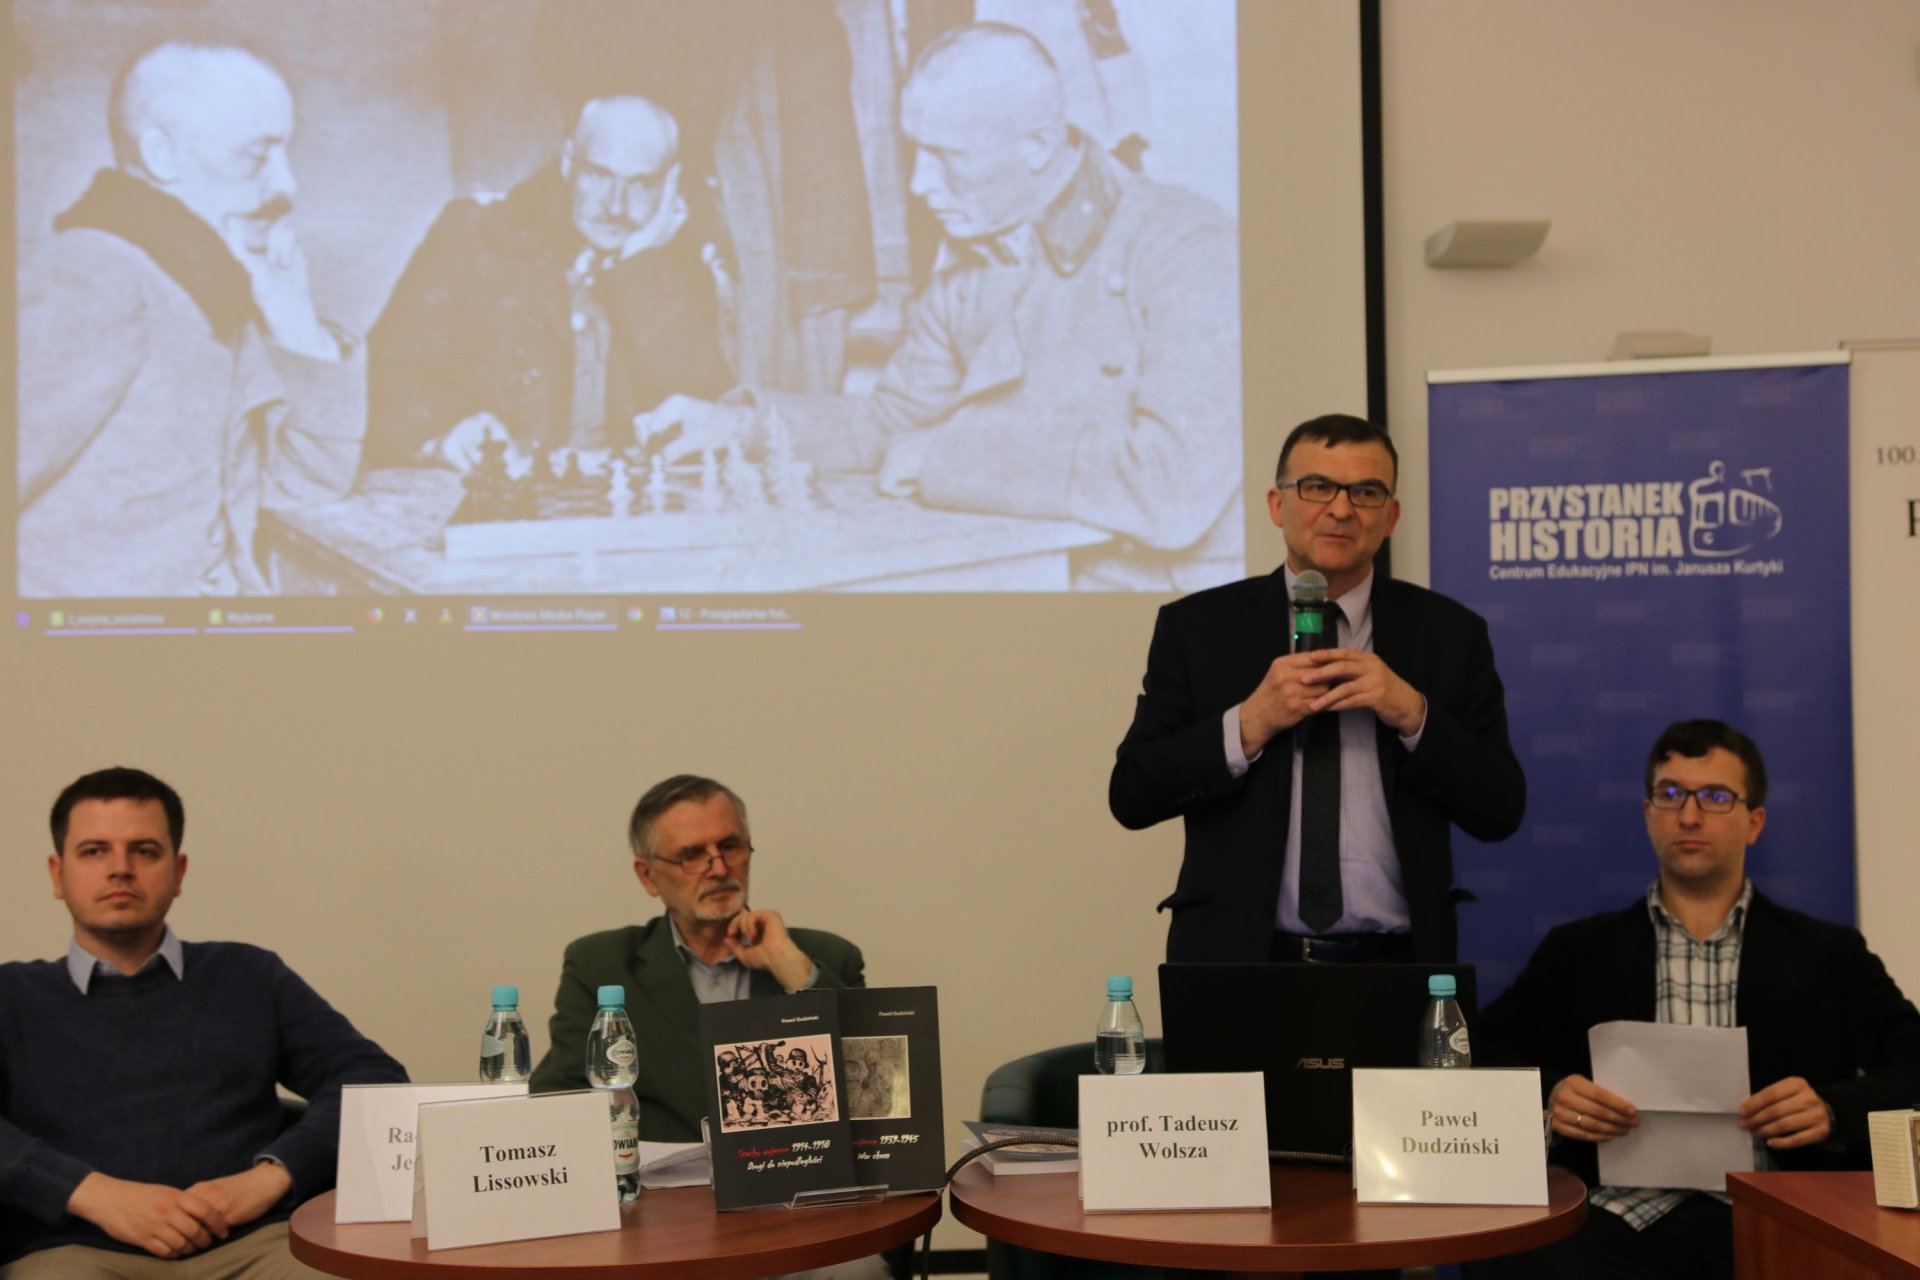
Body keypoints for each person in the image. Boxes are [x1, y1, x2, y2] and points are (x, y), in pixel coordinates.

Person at [631, 21, 1242, 590]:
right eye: (916, 153)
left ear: (1037, 145)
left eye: (949, 157)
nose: (920, 184)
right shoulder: (977, 249)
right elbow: (892, 423)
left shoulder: (1186, 245)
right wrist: (744, 426)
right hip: (1027, 584)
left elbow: (1171, 486)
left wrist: (943, 458)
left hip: (1168, 613)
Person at [1471, 720, 1920, 1279]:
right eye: (1670, 794)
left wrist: (1832, 1109)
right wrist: (1553, 1094)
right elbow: (1482, 1050)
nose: (1688, 815)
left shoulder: (1829, 952)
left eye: (1715, 797)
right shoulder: (1578, 950)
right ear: (1647, 814)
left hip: (1775, 1208)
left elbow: (1914, 1061)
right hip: (1611, 1215)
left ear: (1754, 822)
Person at [1108, 414, 1526, 963]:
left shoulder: (1450, 635)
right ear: (1276, 505)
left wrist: (1414, 715)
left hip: (1398, 966)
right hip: (1240, 967)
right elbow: (1133, 793)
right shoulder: (1198, 629)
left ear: (1391, 516)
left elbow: (1500, 809)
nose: (1341, 509)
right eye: (1318, 486)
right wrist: (1247, 725)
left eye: (1366, 491)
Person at [0, 768, 407, 1276]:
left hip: (256, 1243)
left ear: (178, 872)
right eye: (95, 851)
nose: (120, 869)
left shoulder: (249, 975)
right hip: (74, 1252)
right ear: (57, 875)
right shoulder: (12, 995)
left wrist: (270, 1177)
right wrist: (88, 1192)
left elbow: (376, 1081)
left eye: (144, 851)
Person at [17, 41, 367, 598]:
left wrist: (296, 323)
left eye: (285, 154)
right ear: (163, 155)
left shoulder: (209, 287)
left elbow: (304, 491)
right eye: (257, 155)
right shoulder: (92, 273)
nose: (287, 185)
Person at [366, 94, 732, 473]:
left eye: (641, 184)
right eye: (599, 175)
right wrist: (448, 433)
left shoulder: (683, 266)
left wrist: (640, 267)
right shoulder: (479, 236)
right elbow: (386, 379)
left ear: (671, 182)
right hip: (502, 497)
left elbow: (699, 411)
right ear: (569, 162)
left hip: (623, 501)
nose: (617, 206)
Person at [528, 775, 864, 1141]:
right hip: (660, 1176)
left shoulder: (826, 958)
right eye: (691, 855)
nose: (718, 869)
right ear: (648, 876)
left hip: (798, 1170)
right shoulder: (600, 965)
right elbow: (558, 1097)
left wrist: (795, 971)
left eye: (730, 846)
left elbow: (870, 1084)